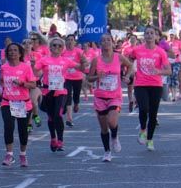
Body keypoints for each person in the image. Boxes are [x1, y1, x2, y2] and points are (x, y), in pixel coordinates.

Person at [87, 33, 132, 162]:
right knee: (103, 127)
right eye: (103, 41)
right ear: (100, 44)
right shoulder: (96, 60)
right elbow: (88, 78)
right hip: (100, 97)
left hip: (115, 96)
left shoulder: (119, 57)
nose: (106, 42)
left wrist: (127, 76)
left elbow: (130, 66)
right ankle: (107, 152)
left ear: (112, 42)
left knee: (112, 121)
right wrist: (97, 77)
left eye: (108, 40)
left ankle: (115, 136)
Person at [125, 26, 171, 151]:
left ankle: (150, 139)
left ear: (156, 36)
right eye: (147, 33)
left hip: (156, 85)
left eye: (152, 33)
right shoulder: (137, 50)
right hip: (140, 84)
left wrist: (159, 71)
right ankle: (142, 130)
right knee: (144, 108)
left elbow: (168, 71)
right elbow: (128, 60)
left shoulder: (160, 52)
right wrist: (129, 72)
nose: (149, 35)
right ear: (144, 36)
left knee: (153, 114)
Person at [35, 37, 81, 152]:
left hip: (61, 91)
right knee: (51, 117)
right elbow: (35, 71)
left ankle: (60, 140)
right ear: (50, 47)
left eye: (60, 46)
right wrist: (32, 66)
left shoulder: (66, 60)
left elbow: (80, 67)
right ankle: (53, 138)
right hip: (47, 91)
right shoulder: (44, 60)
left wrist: (84, 62)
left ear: (62, 48)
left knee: (58, 115)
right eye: (54, 45)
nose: (57, 47)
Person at [0, 42, 36, 167]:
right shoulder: (4, 67)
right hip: (7, 102)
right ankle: (9, 154)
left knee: (22, 131)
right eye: (10, 50)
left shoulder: (26, 67)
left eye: (15, 50)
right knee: (8, 127)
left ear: (20, 53)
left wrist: (22, 83)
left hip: (23, 104)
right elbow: (2, 81)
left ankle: (23, 154)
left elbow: (33, 85)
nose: (12, 52)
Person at [62, 35, 86, 126]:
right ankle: (69, 118)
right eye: (68, 40)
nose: (70, 42)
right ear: (66, 42)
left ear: (74, 42)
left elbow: (85, 62)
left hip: (77, 77)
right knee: (68, 95)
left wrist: (83, 62)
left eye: (72, 40)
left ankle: (76, 103)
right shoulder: (63, 52)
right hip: (66, 77)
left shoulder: (79, 51)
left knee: (76, 95)